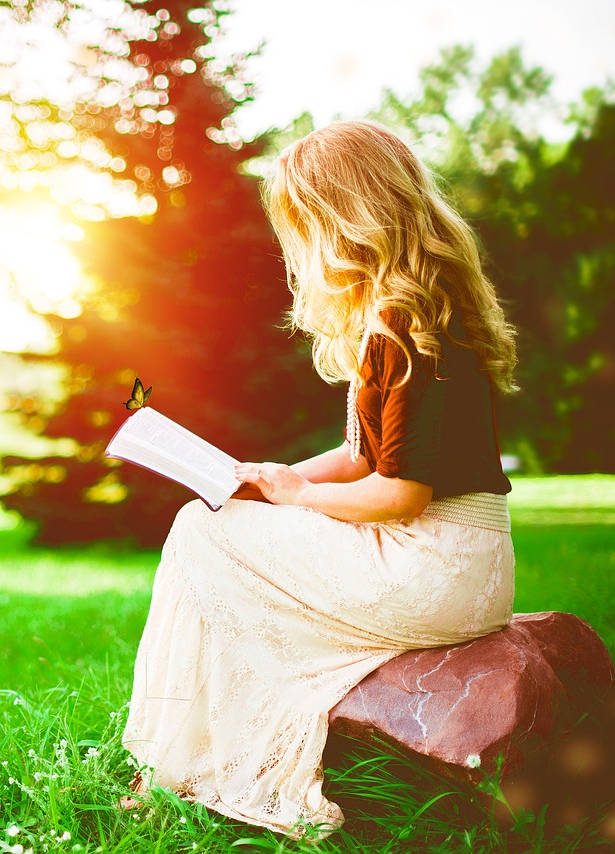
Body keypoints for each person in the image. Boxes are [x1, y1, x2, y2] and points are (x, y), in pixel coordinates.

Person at [120, 119, 520, 840]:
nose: (297, 247)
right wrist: (270, 478)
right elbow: (358, 456)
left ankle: (179, 762)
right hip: (459, 562)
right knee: (215, 524)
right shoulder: (413, 308)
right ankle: (186, 756)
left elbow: (400, 493)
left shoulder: (402, 320)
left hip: (433, 563)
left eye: (304, 223)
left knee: (198, 533)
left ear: (345, 218)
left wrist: (299, 500)